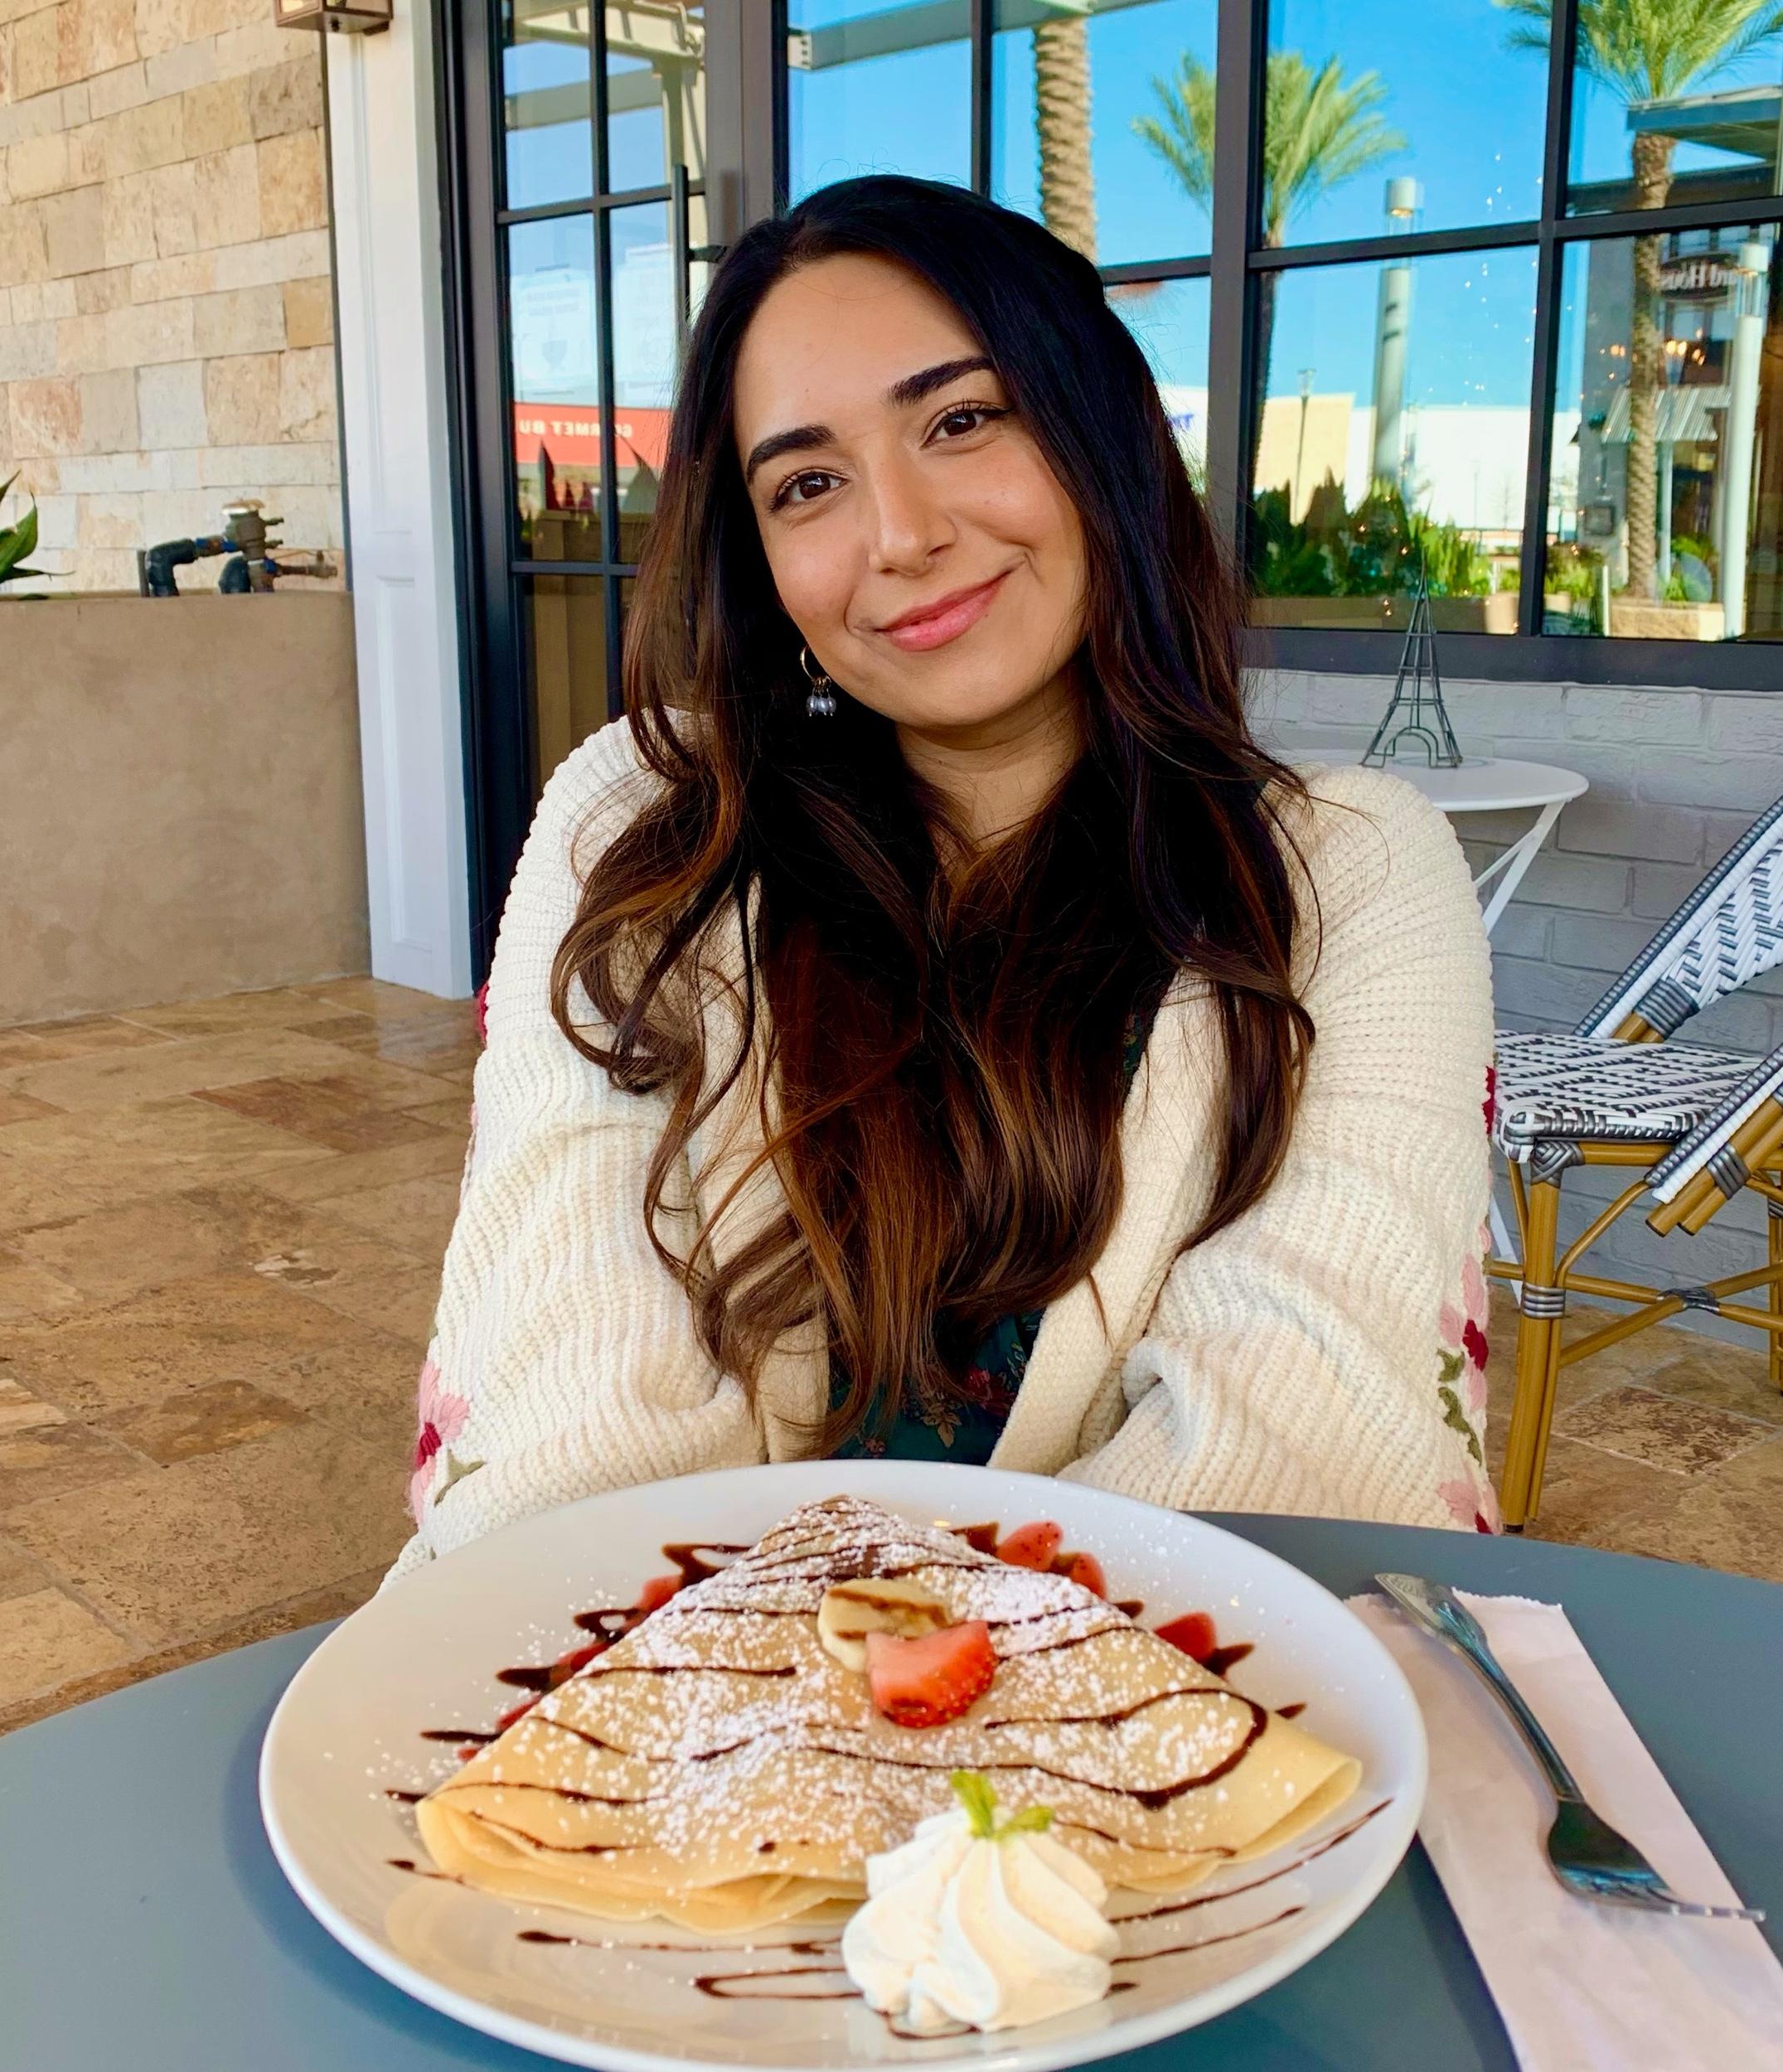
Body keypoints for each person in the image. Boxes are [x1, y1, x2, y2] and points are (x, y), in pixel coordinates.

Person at [390, 175, 1495, 1579]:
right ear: (762, 565)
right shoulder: (651, 829)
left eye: (962, 421)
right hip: (665, 1692)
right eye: (808, 484)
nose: (900, 535)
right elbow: (569, 1426)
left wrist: (928, 1673)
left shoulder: (1347, 872)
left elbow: (1298, 1442)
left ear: (1100, 437)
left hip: (1160, 1695)